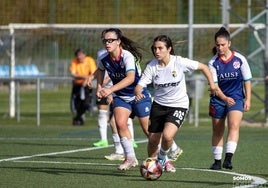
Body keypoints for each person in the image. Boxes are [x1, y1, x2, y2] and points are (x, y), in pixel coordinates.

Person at [134, 35, 216, 173]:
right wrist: (138, 92)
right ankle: (152, 167)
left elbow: (203, 67)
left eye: (160, 48)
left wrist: (212, 85)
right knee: (153, 140)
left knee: (167, 136)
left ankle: (162, 159)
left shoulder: (179, 62)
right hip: (159, 105)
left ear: (169, 49)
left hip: (179, 105)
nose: (157, 51)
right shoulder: (152, 66)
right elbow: (139, 85)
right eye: (155, 48)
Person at [95, 28, 151, 170]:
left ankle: (164, 157)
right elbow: (100, 70)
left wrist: (109, 90)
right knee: (119, 123)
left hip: (138, 94)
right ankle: (130, 158)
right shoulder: (103, 59)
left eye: (111, 40)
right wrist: (99, 87)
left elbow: (131, 78)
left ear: (119, 41)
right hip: (121, 96)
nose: (107, 43)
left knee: (147, 129)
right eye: (105, 41)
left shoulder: (127, 56)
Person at [208, 27, 252, 170]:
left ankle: (228, 158)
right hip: (218, 99)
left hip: (237, 98)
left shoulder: (240, 59)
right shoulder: (212, 63)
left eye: (223, 44)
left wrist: (248, 99)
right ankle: (217, 161)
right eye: (217, 45)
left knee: (233, 125)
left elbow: (247, 80)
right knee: (217, 130)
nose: (220, 47)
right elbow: (214, 86)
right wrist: (224, 98)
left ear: (229, 43)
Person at [69, 48, 97, 125]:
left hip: (87, 85)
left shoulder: (89, 60)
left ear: (84, 55)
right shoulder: (74, 62)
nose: (80, 57)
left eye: (81, 55)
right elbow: (73, 74)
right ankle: (78, 119)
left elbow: (93, 73)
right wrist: (85, 77)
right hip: (77, 84)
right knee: (77, 103)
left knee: (86, 103)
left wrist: (87, 80)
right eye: (78, 55)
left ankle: (79, 116)